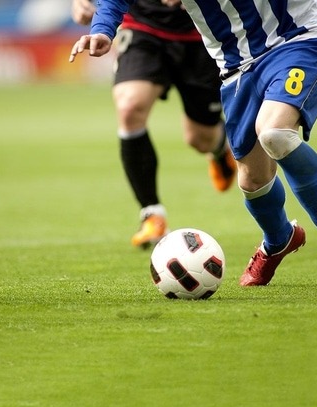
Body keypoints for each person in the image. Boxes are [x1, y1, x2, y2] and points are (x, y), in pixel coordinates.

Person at [69, 0, 317, 294]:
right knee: (251, 180)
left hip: (296, 40)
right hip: (235, 66)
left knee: (274, 132)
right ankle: (279, 238)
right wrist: (103, 28)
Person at [71, 0, 236, 249]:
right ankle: (152, 214)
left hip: (203, 31)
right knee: (129, 106)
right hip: (142, 26)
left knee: (199, 138)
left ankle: (219, 146)